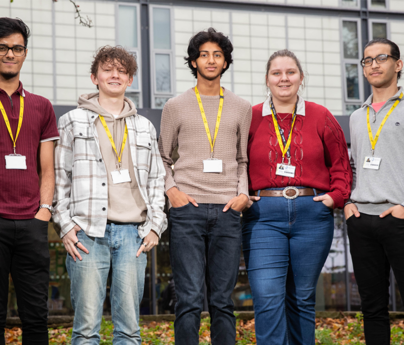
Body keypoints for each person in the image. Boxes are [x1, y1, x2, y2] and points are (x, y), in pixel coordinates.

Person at [53, 46, 167, 345]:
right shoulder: (72, 121)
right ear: (94, 77)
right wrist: (65, 226)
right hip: (87, 234)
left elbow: (157, 180)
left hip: (133, 235)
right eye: (107, 69)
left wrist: (155, 226)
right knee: (86, 329)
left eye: (122, 71)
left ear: (130, 80)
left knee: (129, 330)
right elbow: (59, 178)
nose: (115, 75)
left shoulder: (144, 127)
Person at [243, 49, 352, 344]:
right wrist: (243, 194)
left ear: (301, 77)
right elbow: (236, 162)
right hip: (263, 216)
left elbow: (341, 163)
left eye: (290, 72)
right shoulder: (250, 117)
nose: (284, 78)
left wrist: (336, 197)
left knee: (302, 298)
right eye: (276, 73)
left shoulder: (321, 115)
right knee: (267, 296)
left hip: (312, 215)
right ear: (267, 79)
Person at [158, 27, 251, 345]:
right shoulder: (174, 106)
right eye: (204, 54)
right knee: (189, 298)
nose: (211, 60)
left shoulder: (241, 107)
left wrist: (241, 194)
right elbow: (162, 157)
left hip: (227, 211)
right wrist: (172, 192)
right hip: (188, 210)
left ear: (225, 62)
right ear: (194, 61)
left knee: (223, 302)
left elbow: (243, 160)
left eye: (218, 54)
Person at [0, 17, 59, 345]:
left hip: (32, 222)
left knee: (36, 315)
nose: (10, 53)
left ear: (25, 53)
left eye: (17, 48)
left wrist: (45, 210)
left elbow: (47, 168)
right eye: (3, 47)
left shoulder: (40, 106)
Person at [345, 38, 404, 345]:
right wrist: (348, 203)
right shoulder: (357, 116)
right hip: (362, 220)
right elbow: (353, 166)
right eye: (367, 60)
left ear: (398, 64)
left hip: (398, 217)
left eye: (381, 58)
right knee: (372, 308)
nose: (374, 65)